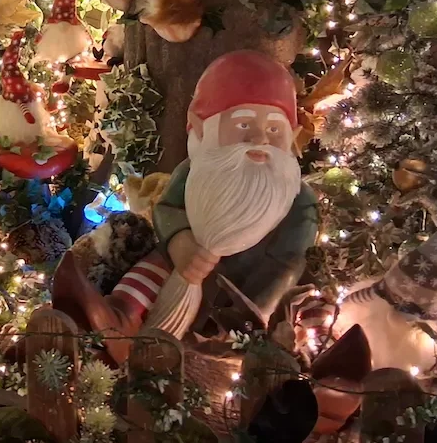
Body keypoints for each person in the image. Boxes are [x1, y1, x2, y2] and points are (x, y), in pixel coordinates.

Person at [53, 50, 318, 360]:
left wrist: (256, 312)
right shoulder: (194, 172)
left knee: (219, 343)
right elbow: (167, 210)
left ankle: (209, 349)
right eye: (244, 125)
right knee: (155, 268)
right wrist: (180, 242)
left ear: (293, 136)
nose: (260, 139)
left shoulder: (299, 202)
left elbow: (287, 265)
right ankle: (119, 319)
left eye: (274, 129)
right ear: (202, 128)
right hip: (178, 266)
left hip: (242, 294)